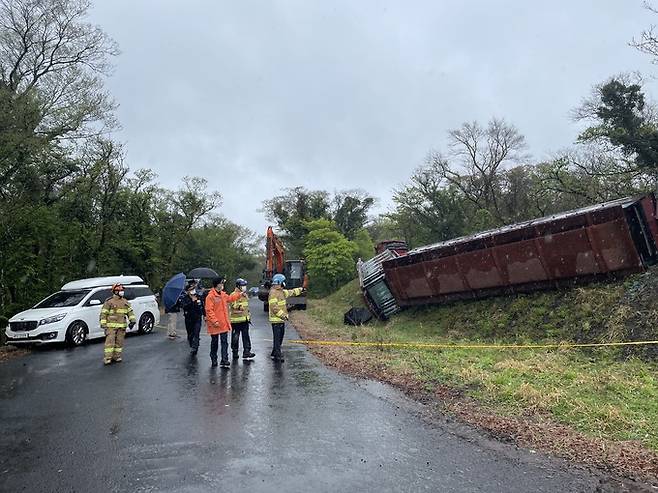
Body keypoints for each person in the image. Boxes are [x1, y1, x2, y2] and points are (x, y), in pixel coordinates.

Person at [204, 276, 246, 368]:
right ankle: (214, 358)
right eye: (221, 283)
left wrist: (240, 295)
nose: (223, 285)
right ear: (217, 284)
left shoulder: (223, 295)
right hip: (215, 324)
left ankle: (224, 359)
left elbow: (230, 298)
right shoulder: (210, 296)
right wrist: (214, 321)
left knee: (224, 342)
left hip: (223, 324)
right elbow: (209, 310)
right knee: (214, 342)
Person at [268, 273, 304, 362]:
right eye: (283, 282)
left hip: (280, 320)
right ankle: (277, 355)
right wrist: (283, 315)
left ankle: (274, 352)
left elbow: (291, 292)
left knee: (280, 337)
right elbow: (274, 308)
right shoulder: (273, 293)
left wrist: (300, 289)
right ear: (279, 282)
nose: (284, 284)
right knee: (277, 338)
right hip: (276, 320)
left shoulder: (281, 292)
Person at [100, 283, 136, 365]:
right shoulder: (109, 302)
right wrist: (103, 324)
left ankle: (117, 356)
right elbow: (103, 313)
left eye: (122, 290)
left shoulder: (125, 301)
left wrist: (132, 321)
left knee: (119, 342)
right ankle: (108, 358)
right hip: (111, 327)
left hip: (121, 326)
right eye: (120, 290)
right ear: (115, 291)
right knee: (110, 343)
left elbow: (130, 312)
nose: (122, 292)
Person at [230, 278, 255, 360]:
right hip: (236, 320)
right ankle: (235, 352)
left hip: (245, 320)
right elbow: (232, 304)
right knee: (235, 337)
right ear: (238, 286)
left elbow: (246, 307)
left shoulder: (244, 295)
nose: (244, 287)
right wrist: (239, 306)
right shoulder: (233, 294)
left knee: (246, 336)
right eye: (243, 286)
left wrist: (248, 315)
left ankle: (247, 352)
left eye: (245, 285)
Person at [181, 281, 204, 356]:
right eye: (190, 289)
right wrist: (191, 301)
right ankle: (192, 344)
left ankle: (195, 346)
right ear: (187, 291)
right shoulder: (185, 298)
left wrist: (205, 315)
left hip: (197, 318)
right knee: (190, 334)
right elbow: (185, 307)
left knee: (196, 333)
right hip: (189, 319)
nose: (192, 290)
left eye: (193, 289)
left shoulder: (198, 296)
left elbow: (201, 306)